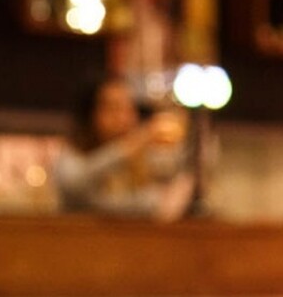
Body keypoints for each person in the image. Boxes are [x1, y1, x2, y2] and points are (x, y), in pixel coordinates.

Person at [56, 76, 193, 219]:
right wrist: (126, 148)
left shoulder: (142, 155)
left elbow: (176, 180)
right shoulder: (73, 152)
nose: (124, 118)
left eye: (129, 108)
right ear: (90, 113)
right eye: (114, 108)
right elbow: (76, 190)